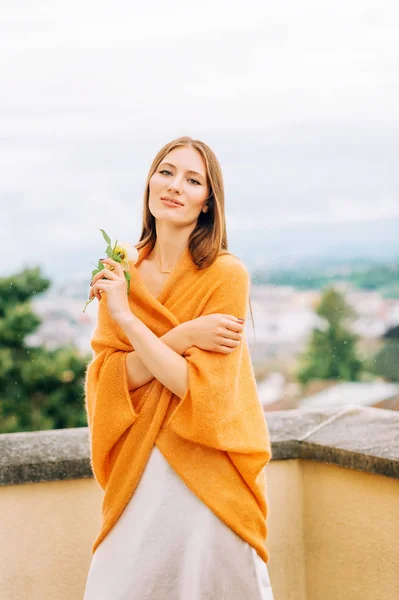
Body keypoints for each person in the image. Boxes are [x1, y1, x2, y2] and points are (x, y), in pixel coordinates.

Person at [83, 136, 274, 599]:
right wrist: (177, 335)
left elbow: (199, 391)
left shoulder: (226, 275)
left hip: (208, 472)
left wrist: (148, 351)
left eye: (192, 180)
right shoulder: (121, 269)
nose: (174, 186)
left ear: (208, 202)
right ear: (150, 181)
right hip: (138, 470)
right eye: (165, 172)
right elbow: (110, 382)